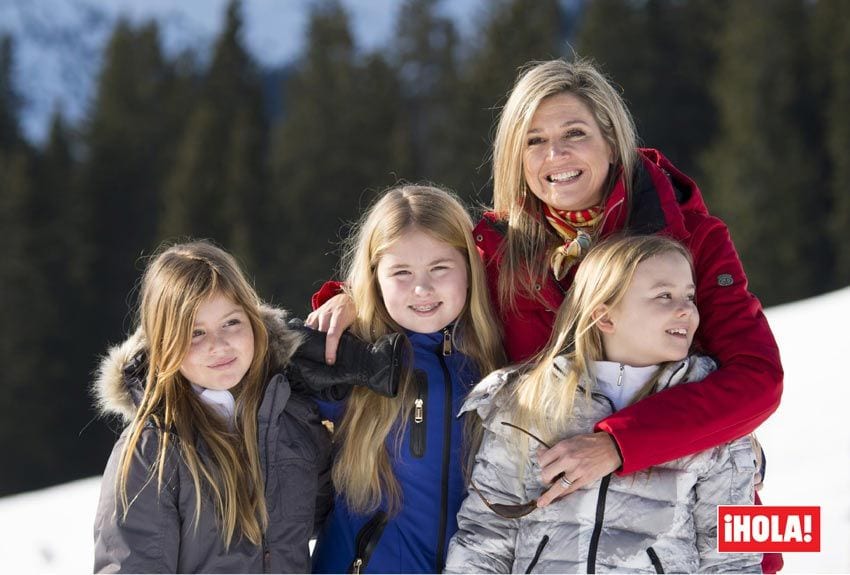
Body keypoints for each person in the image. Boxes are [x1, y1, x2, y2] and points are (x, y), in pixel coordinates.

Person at [309, 57, 783, 572]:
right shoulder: (499, 249)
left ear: (611, 138)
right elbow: (426, 277)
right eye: (534, 140)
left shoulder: (692, 237)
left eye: (574, 133)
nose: (555, 154)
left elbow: (759, 381)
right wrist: (352, 297)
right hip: (553, 541)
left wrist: (620, 443)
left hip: (687, 514)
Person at [445, 234, 763, 573]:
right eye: (664, 296)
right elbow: (487, 532)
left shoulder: (713, 415)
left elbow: (732, 555)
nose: (686, 309)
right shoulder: (530, 403)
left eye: (689, 296)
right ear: (605, 318)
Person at [92, 241, 337, 573]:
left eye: (231, 323)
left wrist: (348, 305)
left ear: (254, 321)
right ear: (166, 346)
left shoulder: (291, 418)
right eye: (195, 333)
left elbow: (346, 512)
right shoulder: (153, 450)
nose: (218, 345)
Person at [310, 185, 505, 573]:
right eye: (401, 272)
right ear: (374, 278)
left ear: (470, 268)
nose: (423, 288)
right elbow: (254, 374)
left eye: (440, 268)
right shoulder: (353, 360)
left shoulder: (493, 361)